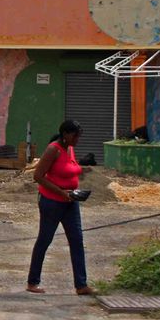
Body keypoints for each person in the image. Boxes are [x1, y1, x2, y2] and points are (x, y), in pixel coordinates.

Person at [27, 119, 93, 295]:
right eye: (75, 136)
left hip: (71, 202)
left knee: (77, 240)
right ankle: (33, 282)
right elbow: (38, 176)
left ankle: (81, 284)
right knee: (45, 239)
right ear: (65, 134)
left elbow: (70, 171)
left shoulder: (70, 149)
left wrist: (73, 191)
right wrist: (61, 192)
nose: (77, 139)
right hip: (51, 202)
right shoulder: (52, 150)